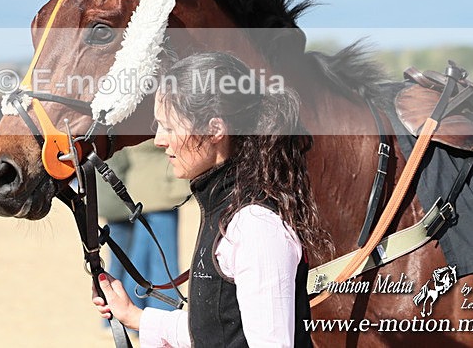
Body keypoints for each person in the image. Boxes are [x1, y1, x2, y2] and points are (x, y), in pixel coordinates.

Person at [93, 52, 331, 347]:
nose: (159, 140)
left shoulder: (255, 226)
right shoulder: (226, 208)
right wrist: (135, 317)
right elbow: (218, 330)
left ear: (215, 129)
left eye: (170, 126)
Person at [97, 140, 190, 320]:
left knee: (139, 260)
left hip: (139, 193)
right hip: (160, 193)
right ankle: (164, 316)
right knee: (164, 264)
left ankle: (135, 313)